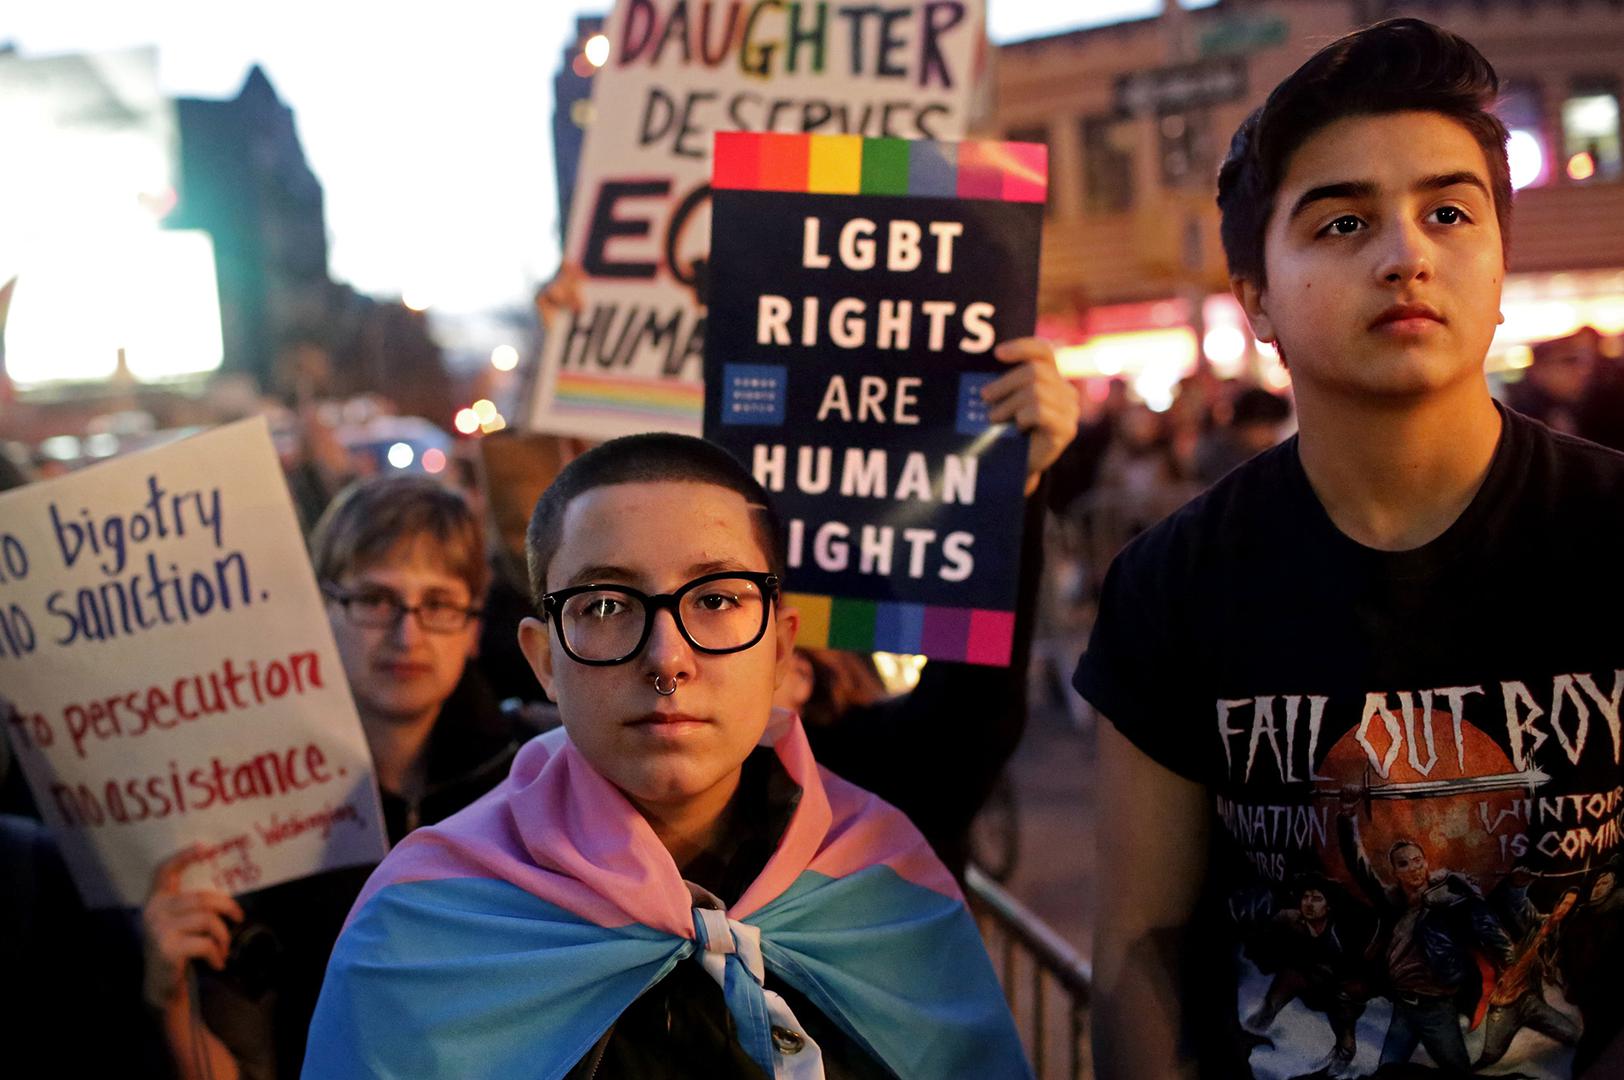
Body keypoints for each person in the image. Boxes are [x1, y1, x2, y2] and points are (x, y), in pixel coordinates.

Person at [1074, 18, 1624, 1079]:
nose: (1406, 253)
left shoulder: (1608, 532)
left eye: (1449, 212)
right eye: (1339, 224)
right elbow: (1138, 944)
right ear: (1257, 304)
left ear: (1499, 264)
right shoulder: (1174, 583)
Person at [303, 434, 1031, 1078]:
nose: (668, 660)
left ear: (780, 646)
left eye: (715, 599)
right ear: (543, 661)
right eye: (606, 606)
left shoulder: (886, 880)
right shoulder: (421, 925)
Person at [140, 474, 536, 1080]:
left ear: (474, 627)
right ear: (320, 611)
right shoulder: (252, 802)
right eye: (374, 600)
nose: (407, 635)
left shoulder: (536, 780)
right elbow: (249, 1065)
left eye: (438, 604)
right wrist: (171, 999)